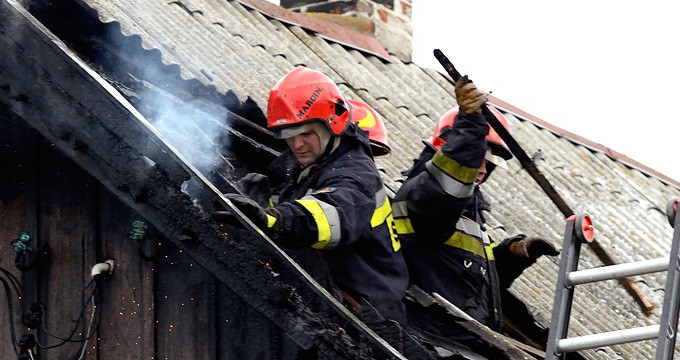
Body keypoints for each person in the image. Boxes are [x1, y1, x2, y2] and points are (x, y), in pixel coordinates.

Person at [221, 66, 408, 323]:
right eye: (288, 135)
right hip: (338, 305)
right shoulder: (309, 169)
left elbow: (329, 217)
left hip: (368, 320)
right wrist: (263, 205)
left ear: (333, 123)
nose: (297, 144)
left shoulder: (356, 174)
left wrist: (273, 219)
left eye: (307, 132)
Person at [391, 76, 559, 341]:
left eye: (489, 161)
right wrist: (469, 127)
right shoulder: (424, 194)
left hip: (456, 343)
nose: (481, 168)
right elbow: (445, 187)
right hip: (431, 339)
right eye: (475, 158)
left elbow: (464, 281)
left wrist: (509, 256)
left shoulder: (466, 210)